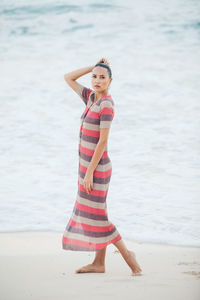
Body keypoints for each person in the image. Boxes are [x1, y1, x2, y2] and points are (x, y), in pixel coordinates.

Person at [62, 58, 142, 276]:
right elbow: (68, 77)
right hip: (87, 167)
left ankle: (130, 258)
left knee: (98, 217)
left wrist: (89, 174)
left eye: (102, 77)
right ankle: (99, 263)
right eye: (94, 77)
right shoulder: (90, 98)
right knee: (97, 213)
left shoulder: (106, 104)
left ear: (110, 80)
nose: (97, 80)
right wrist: (93, 65)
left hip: (96, 170)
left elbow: (102, 141)